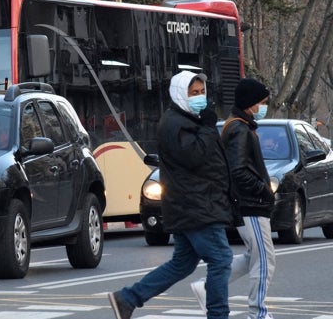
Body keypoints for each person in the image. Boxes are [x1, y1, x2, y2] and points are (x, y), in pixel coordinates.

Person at [108, 71, 238, 319]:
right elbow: (195, 156)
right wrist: (209, 128)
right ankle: (218, 315)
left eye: (202, 92)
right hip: (196, 205)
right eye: (194, 93)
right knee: (221, 259)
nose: (200, 97)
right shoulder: (176, 124)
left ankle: (127, 299)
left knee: (183, 263)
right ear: (180, 94)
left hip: (195, 204)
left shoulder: (189, 120)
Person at [191, 77, 275, 319]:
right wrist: (263, 190)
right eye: (261, 102)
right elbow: (237, 171)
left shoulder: (239, 126)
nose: (263, 107)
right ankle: (258, 312)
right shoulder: (239, 129)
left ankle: (207, 286)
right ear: (250, 103)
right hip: (251, 204)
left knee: (254, 257)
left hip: (249, 204)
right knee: (265, 261)